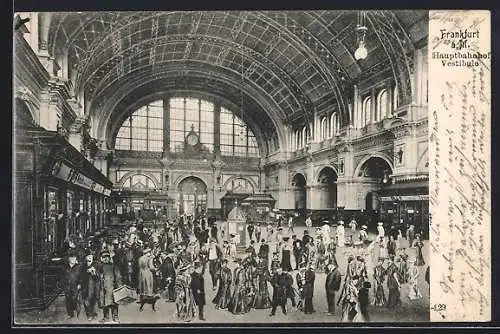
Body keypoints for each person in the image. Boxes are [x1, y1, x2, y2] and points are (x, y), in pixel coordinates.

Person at [97, 251, 122, 323]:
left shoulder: (114, 266)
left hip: (112, 287)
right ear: (101, 258)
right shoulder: (100, 266)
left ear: (109, 258)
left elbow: (118, 277)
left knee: (114, 303)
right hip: (103, 288)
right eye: (104, 257)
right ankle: (106, 317)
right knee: (105, 303)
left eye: (107, 257)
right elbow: (97, 276)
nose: (106, 259)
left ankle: (115, 317)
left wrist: (119, 287)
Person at [61, 250, 82, 319]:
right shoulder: (65, 267)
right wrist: (63, 285)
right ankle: (70, 314)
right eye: (71, 258)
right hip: (67, 286)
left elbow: (80, 276)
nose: (73, 259)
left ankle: (78, 310)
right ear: (68, 259)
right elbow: (62, 276)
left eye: (74, 258)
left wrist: (79, 283)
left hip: (75, 286)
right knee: (68, 300)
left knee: (75, 299)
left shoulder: (78, 267)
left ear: (76, 259)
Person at [81, 254, 99, 321]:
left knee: (93, 300)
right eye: (88, 257)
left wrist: (94, 273)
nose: (90, 258)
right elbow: (80, 276)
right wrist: (86, 272)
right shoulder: (83, 266)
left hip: (93, 287)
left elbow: (97, 278)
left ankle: (92, 312)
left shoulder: (95, 265)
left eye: (91, 257)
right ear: (86, 258)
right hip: (85, 287)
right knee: (86, 300)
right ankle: (89, 314)